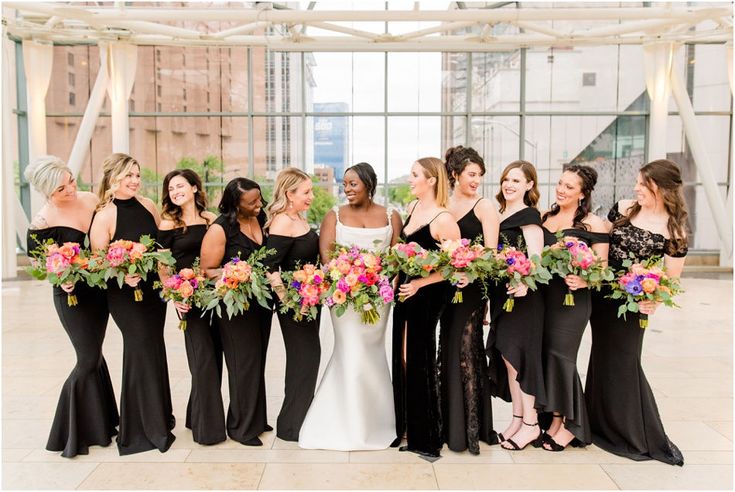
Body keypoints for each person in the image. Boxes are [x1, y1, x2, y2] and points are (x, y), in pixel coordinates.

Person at [586, 159, 688, 466]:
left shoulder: (674, 227)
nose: (636, 188)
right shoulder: (625, 207)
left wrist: (655, 298)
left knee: (625, 361)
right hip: (601, 295)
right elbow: (600, 241)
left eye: (643, 184)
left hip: (633, 303)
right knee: (601, 356)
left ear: (660, 187)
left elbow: (671, 280)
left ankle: (634, 433)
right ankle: (600, 425)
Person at [298, 162, 402, 451]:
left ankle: (378, 423)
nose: (347, 189)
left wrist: (378, 279)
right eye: (344, 184)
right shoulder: (335, 215)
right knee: (351, 352)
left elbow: (395, 257)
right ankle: (347, 425)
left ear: (368, 184)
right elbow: (327, 256)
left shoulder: (392, 215)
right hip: (344, 297)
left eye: (353, 184)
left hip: (378, 298)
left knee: (372, 354)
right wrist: (350, 278)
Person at [25, 156, 119, 458]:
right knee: (87, 358)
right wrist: (58, 276)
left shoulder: (90, 199)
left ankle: (100, 425)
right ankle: (66, 432)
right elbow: (38, 264)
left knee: (96, 354)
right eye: (61, 188)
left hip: (99, 293)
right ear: (46, 191)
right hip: (71, 297)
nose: (70, 190)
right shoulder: (42, 221)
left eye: (71, 182)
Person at [89, 153, 175, 455]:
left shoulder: (148, 205)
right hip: (125, 296)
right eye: (128, 176)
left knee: (154, 348)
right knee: (139, 350)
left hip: (151, 293)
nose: (135, 181)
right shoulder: (105, 215)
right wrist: (124, 275)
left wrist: (167, 281)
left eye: (137, 175)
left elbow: (159, 248)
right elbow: (98, 263)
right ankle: (140, 430)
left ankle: (159, 419)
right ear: (114, 177)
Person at [391, 157, 464, 460]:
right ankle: (407, 426)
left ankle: (426, 436)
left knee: (418, 357)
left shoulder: (444, 219)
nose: (410, 179)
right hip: (405, 291)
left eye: (414, 175)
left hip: (428, 293)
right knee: (404, 357)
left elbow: (456, 267)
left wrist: (420, 284)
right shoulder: (413, 209)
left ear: (432, 180)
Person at [538, 165, 609, 451]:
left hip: (572, 299)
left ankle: (571, 425)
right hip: (544, 297)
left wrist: (583, 280)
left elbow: (603, 269)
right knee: (547, 356)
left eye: (569, 187)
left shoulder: (594, 224)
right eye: (560, 183)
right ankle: (555, 420)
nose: (561, 190)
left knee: (561, 356)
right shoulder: (545, 217)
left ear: (583, 193)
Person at [200, 177, 273, 446]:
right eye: (251, 202)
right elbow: (207, 269)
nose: (258, 204)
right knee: (243, 364)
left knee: (257, 360)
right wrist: (235, 273)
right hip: (234, 307)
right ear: (235, 204)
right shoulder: (221, 229)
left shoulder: (260, 217)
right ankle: (241, 428)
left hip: (260, 305)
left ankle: (255, 418)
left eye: (259, 199)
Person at [439, 146, 500, 455]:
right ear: (455, 174)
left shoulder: (485, 206)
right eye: (471, 174)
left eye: (480, 175)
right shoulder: (443, 204)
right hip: (444, 288)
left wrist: (472, 273)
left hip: (472, 288)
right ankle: (449, 425)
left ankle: (471, 429)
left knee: (466, 351)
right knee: (446, 349)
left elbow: (491, 253)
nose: (477, 180)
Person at [157, 169, 224, 445]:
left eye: (180, 186)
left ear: (195, 188)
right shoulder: (167, 223)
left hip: (213, 294)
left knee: (214, 356)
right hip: (185, 296)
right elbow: (162, 265)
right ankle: (208, 430)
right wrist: (174, 295)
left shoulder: (210, 220)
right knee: (203, 358)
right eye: (171, 188)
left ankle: (196, 414)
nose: (175, 191)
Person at [487, 160, 546, 452]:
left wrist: (524, 283)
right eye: (506, 179)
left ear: (529, 185)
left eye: (516, 180)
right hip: (502, 296)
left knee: (522, 361)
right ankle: (517, 420)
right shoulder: (498, 213)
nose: (508, 185)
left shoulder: (529, 216)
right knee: (509, 361)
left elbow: (537, 259)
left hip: (523, 299)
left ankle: (532, 426)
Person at [263, 168, 321, 442]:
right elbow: (269, 267)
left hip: (308, 301)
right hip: (294, 306)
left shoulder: (297, 217)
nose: (311, 196)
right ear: (290, 194)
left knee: (307, 359)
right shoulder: (282, 222)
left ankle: (297, 420)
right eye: (306, 192)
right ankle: (291, 427)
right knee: (304, 359)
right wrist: (288, 301)